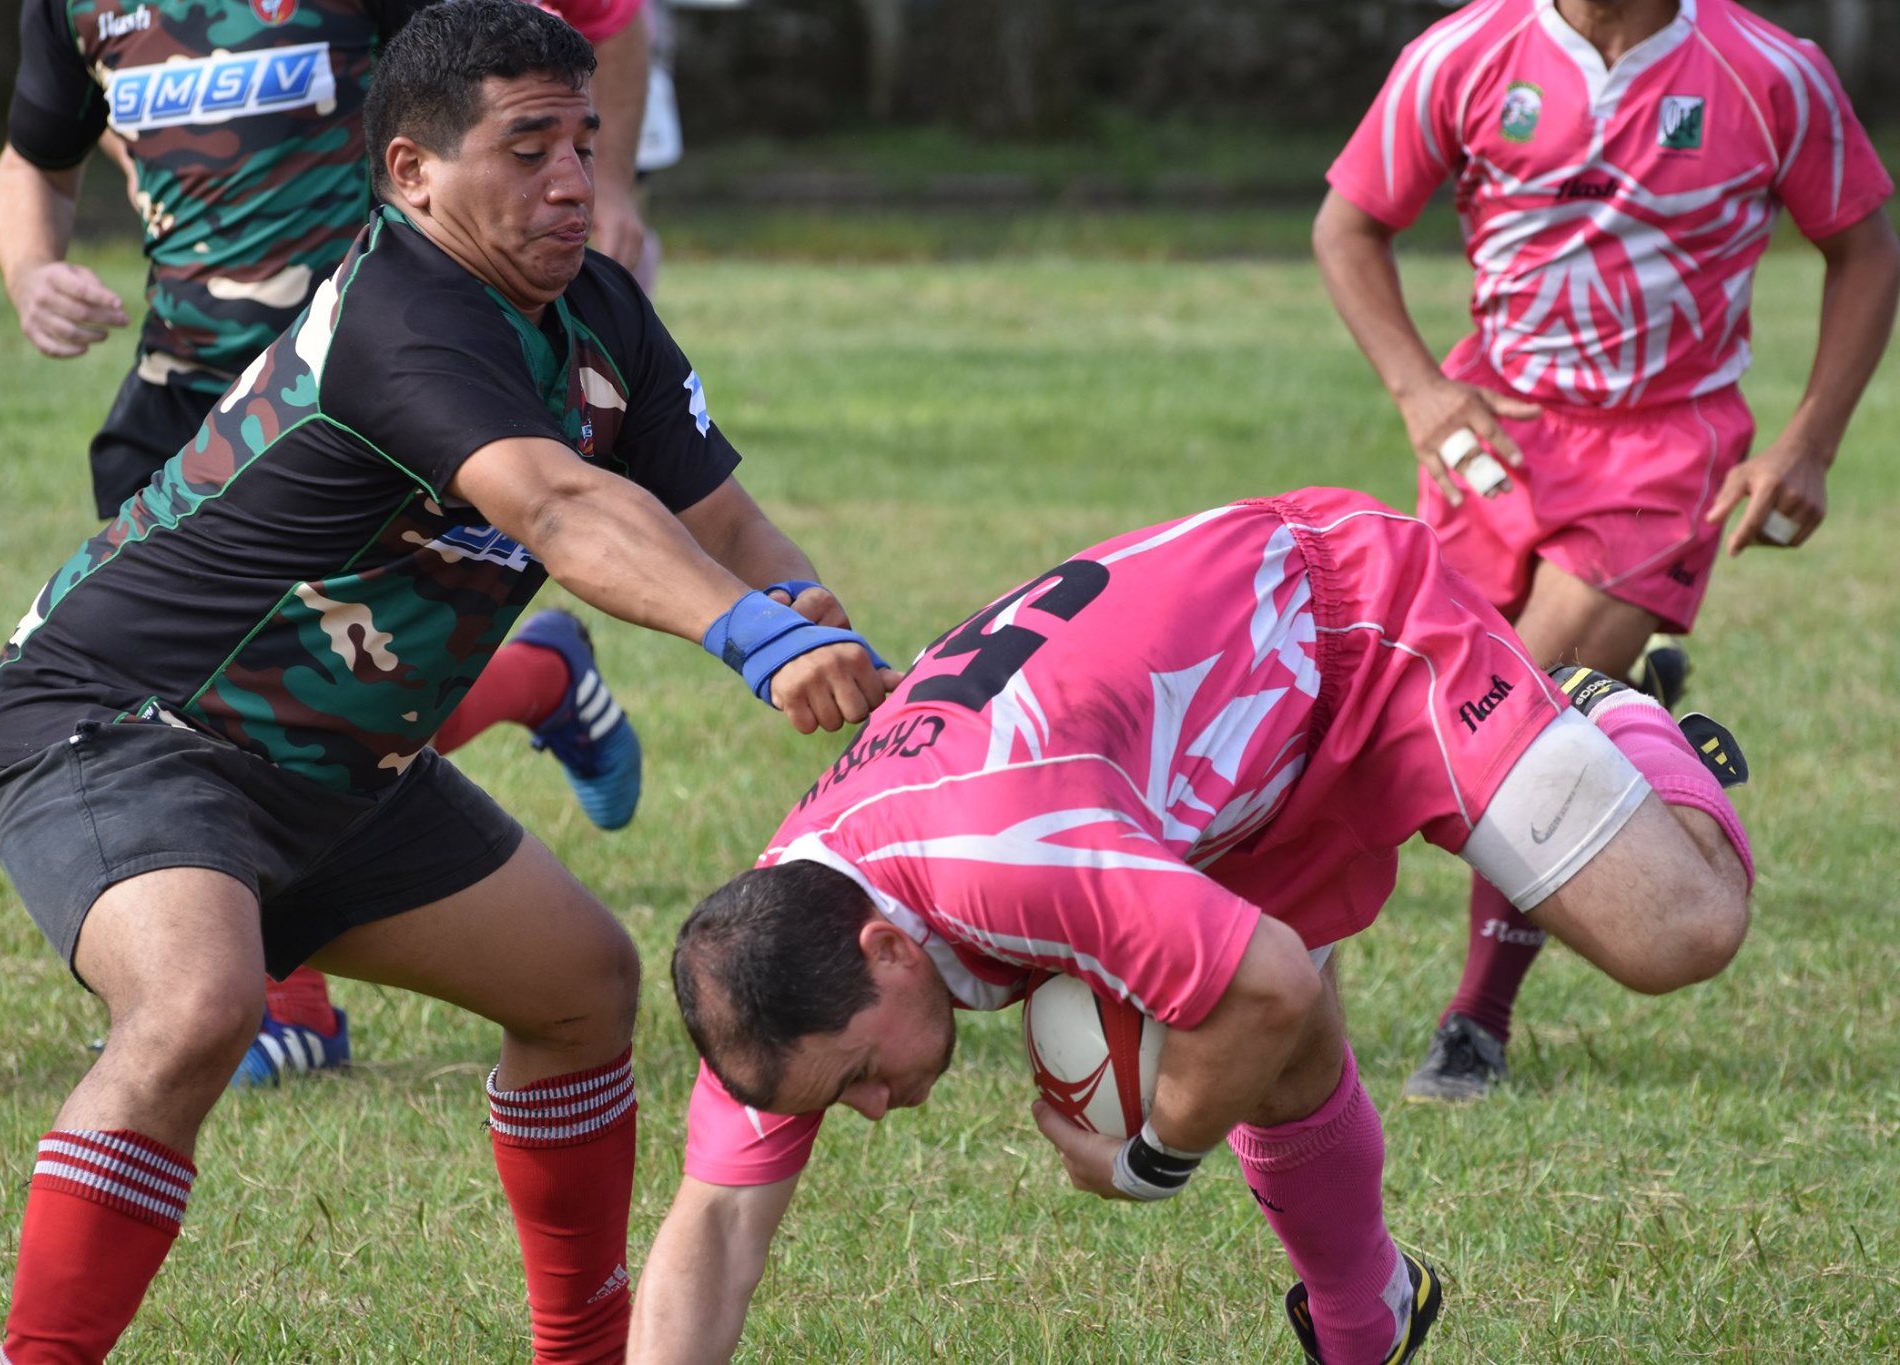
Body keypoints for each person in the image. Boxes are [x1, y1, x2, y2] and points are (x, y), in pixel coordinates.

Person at [0, 5, 892, 1361]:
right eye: (529, 147)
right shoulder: (401, 312)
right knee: (198, 1008)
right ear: (412, 175)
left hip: (335, 771)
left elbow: (726, 523)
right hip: (121, 726)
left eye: (582, 141)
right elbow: (567, 509)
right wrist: (752, 637)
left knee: (581, 986)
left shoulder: (599, 311)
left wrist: (817, 617)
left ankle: (582, 1350)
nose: (574, 179)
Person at [634, 487, 1754, 1365]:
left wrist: (1151, 1156)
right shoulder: (780, 935)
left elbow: (1271, 983)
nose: (870, 1110)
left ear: (886, 947)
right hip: (1191, 772)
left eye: (855, 1081)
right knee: (1254, 1046)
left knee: (1678, 935)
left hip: (1347, 624)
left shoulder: (1007, 860)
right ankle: (1368, 1328)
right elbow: (718, 1232)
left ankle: (1610, 713)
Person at [0, 0, 659, 1082]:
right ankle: (536, 683)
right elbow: (36, 157)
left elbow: (583, 26)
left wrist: (603, 180)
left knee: (335, 678)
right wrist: (31, 271)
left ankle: (286, 1005)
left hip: (388, 392)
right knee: (220, 692)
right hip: (191, 403)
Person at [1311, 0, 1898, 1100]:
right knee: (1410, 709)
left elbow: (1861, 247)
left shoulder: (1770, 71)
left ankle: (1473, 1020)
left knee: (1512, 711)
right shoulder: (1461, 55)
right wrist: (1419, 392)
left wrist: (1809, 443)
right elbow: (1346, 226)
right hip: (1489, 432)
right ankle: (1631, 723)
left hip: (1664, 449)